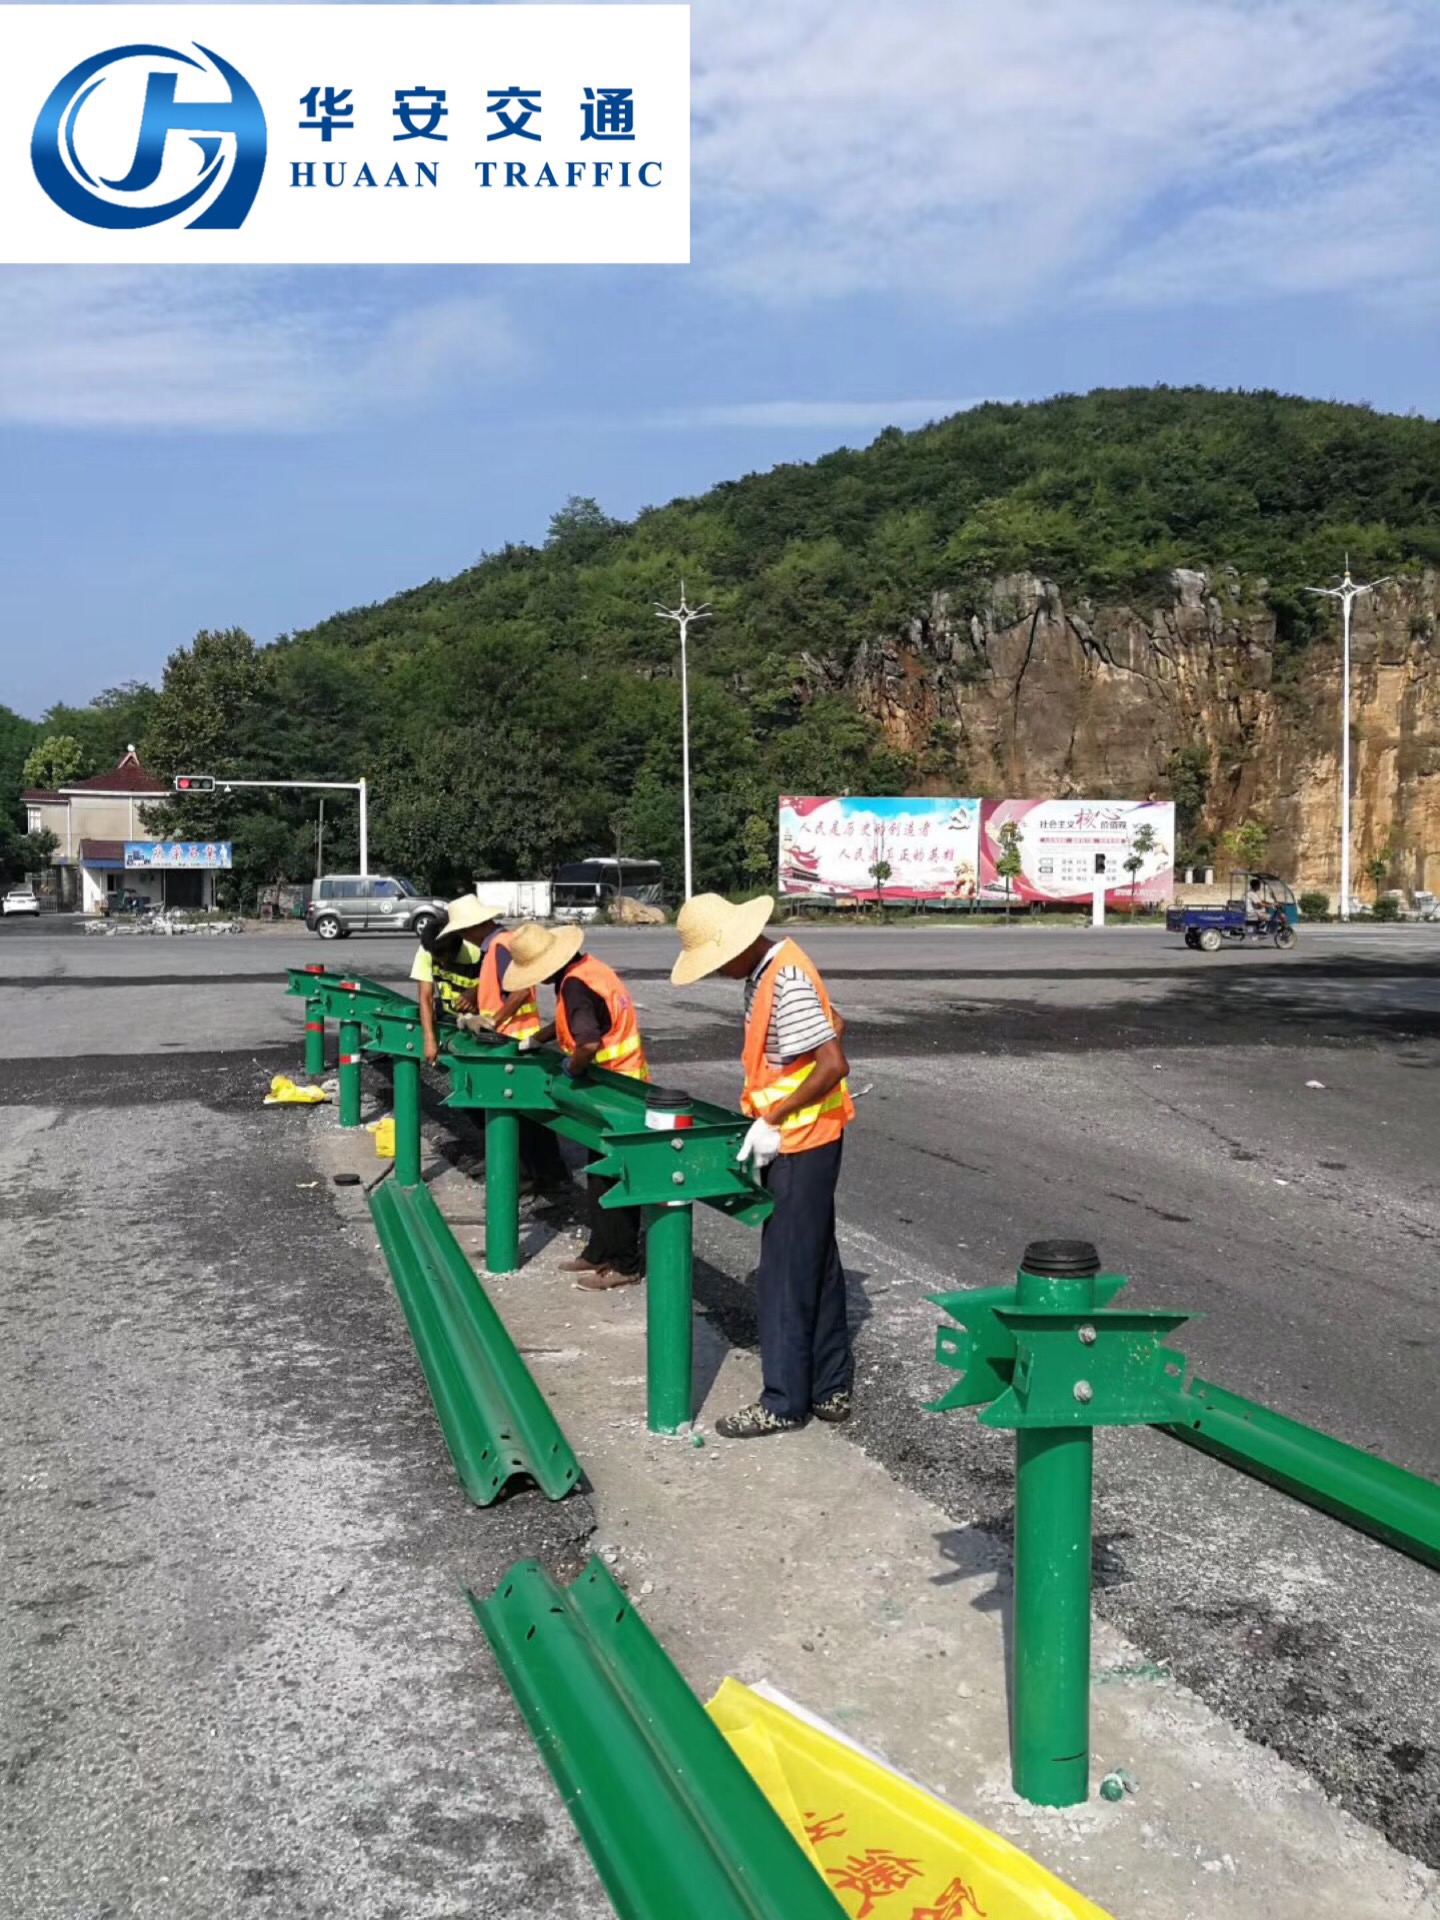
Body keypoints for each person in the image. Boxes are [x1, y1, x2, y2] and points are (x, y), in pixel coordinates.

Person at [670, 893, 854, 1439]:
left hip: (800, 1141)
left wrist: (773, 1115)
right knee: (815, 1260)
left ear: (738, 945)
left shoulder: (785, 978)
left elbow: (833, 1063)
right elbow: (835, 1022)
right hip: (807, 1135)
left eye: (715, 962)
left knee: (784, 1273)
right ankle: (830, 1384)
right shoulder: (773, 969)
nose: (716, 973)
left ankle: (784, 1401)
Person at [502, 922, 650, 1288]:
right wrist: (539, 1038)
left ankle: (625, 1263)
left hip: (612, 1089)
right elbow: (578, 1021)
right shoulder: (590, 969)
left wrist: (571, 1068)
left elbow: (587, 1042)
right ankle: (599, 1250)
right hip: (623, 1083)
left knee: (611, 1175)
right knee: (598, 1173)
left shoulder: (574, 985)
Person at [459, 918, 570, 1191]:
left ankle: (531, 1175)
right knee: (524, 1113)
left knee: (521, 1114)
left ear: (477, 926)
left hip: (512, 1038)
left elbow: (520, 991)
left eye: (464, 930)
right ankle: (539, 1173)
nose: (464, 936)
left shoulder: (500, 946)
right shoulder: (499, 945)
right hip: (512, 1037)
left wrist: (493, 1021)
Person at [411, 893, 503, 1063]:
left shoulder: (476, 949)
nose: (444, 965)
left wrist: (475, 991)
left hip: (482, 1019)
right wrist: (429, 1040)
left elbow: (503, 980)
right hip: (452, 1016)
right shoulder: (427, 950)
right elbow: (426, 997)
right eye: (439, 960)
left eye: (448, 960)